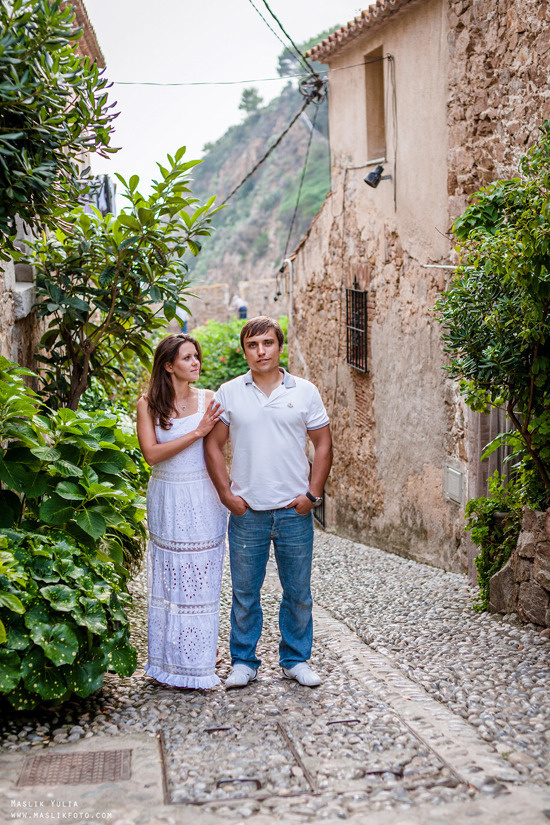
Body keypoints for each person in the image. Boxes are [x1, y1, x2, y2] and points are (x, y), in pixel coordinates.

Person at [204, 316, 333, 689]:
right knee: (245, 594)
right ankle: (244, 662)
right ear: (244, 351)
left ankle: (296, 659)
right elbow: (213, 445)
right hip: (248, 513)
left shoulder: (305, 391)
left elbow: (323, 443)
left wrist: (312, 495)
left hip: (294, 511)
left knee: (298, 593)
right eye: (252, 345)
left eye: (267, 343)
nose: (261, 351)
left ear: (280, 346)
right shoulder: (229, 392)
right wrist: (227, 495)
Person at [136, 333, 227, 689]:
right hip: (167, 494)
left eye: (196, 356)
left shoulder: (211, 399)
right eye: (187, 358)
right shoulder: (148, 404)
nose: (196, 362)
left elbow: (220, 448)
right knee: (171, 577)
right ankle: (168, 657)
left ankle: (201, 655)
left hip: (203, 494)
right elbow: (151, 454)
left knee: (202, 577)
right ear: (168, 366)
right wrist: (197, 432)